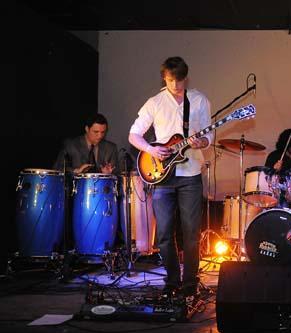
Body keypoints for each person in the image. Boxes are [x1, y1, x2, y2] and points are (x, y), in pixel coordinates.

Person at [128, 56, 212, 299]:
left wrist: (203, 141)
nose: (176, 85)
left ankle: (190, 282)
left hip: (190, 173)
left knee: (191, 232)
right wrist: (151, 149)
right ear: (164, 77)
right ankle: (172, 278)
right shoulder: (154, 102)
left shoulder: (198, 100)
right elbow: (134, 134)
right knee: (164, 233)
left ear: (186, 77)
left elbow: (210, 134)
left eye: (180, 79)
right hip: (161, 174)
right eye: (171, 79)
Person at [54, 113, 119, 174]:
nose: (100, 136)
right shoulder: (71, 145)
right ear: (87, 129)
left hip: (101, 185)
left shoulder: (111, 148)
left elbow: (117, 173)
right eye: (96, 132)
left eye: (103, 132)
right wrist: (77, 170)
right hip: (76, 185)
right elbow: (58, 168)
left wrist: (107, 173)